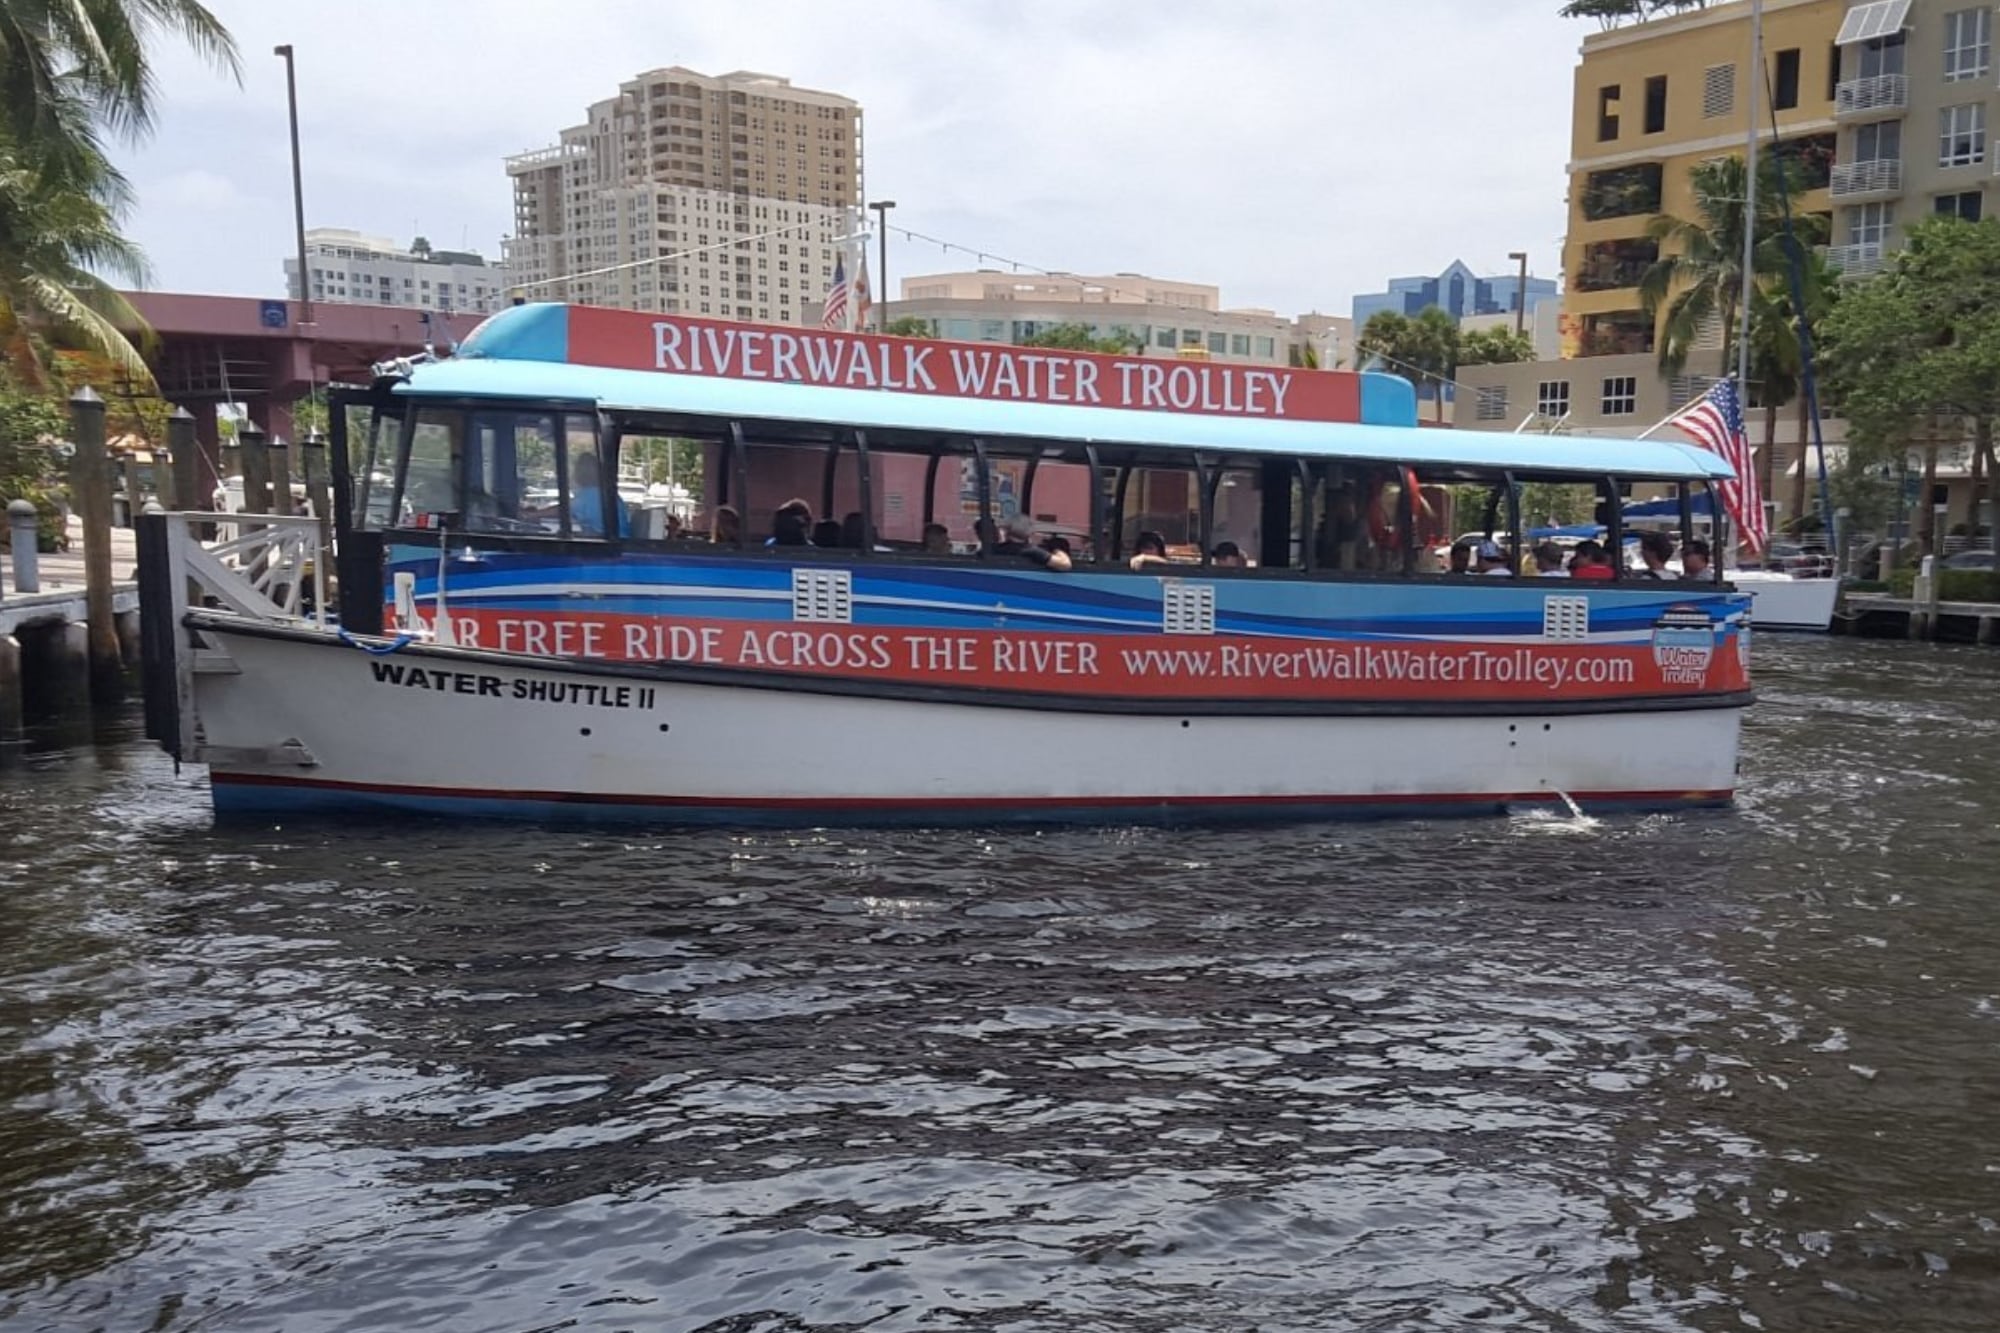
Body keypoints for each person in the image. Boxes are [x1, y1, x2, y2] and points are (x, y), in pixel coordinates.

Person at [569, 454, 630, 538]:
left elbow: (563, 510)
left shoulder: (593, 494)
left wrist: (543, 513)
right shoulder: (603, 492)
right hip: (609, 543)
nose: (572, 475)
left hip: (613, 546)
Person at [991, 512, 1072, 571]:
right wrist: (1056, 548)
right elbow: (1065, 564)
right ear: (1030, 531)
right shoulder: (1031, 551)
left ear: (1008, 529)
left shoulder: (995, 549)